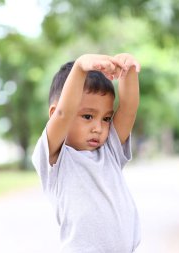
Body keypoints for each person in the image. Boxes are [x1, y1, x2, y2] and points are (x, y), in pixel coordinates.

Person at [32, 53, 141, 253]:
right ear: (53, 114)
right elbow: (64, 113)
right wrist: (80, 67)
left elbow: (128, 110)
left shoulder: (110, 150)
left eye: (106, 119)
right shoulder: (56, 158)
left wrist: (129, 71)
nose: (98, 128)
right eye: (88, 116)